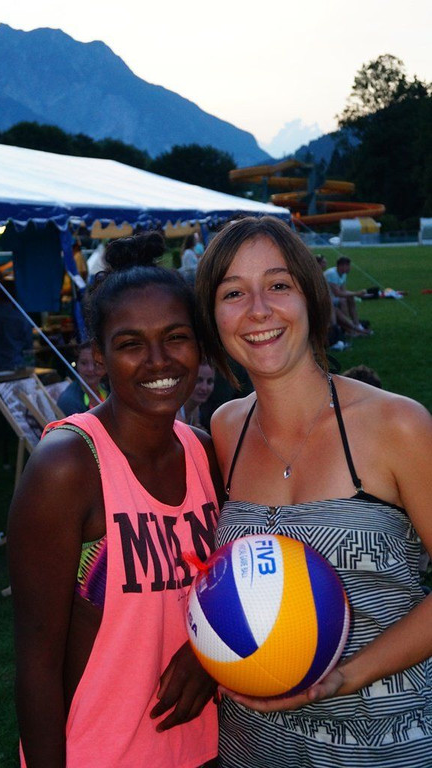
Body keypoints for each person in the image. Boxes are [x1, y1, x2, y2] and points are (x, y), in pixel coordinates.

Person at [195, 215, 432, 767]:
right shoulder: (225, 429)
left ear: (311, 297)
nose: (259, 310)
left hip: (380, 745)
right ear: (213, 316)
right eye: (234, 293)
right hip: (252, 745)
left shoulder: (396, 425)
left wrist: (346, 675)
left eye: (278, 285)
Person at [8, 231, 222, 768]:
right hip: (102, 753)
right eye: (130, 344)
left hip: (206, 746)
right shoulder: (67, 467)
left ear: (199, 346)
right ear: (98, 360)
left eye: (176, 337)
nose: (158, 361)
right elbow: (36, 662)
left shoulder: (204, 453)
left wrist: (209, 654)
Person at [324, 256, 372, 336]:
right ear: (341, 266)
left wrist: (359, 294)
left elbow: (343, 291)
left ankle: (356, 324)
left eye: (348, 265)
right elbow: (337, 293)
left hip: (332, 298)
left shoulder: (343, 274)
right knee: (343, 301)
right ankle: (348, 328)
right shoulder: (332, 274)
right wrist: (357, 293)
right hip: (326, 299)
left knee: (350, 298)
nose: (349, 268)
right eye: (347, 266)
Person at [56, 341, 108, 416]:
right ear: (77, 365)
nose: (90, 369)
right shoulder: (69, 402)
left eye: (96, 363)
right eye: (84, 363)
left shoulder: (108, 389)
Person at [177, 360, 215, 429]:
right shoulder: (174, 414)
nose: (204, 388)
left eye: (209, 381)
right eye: (198, 380)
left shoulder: (195, 409)